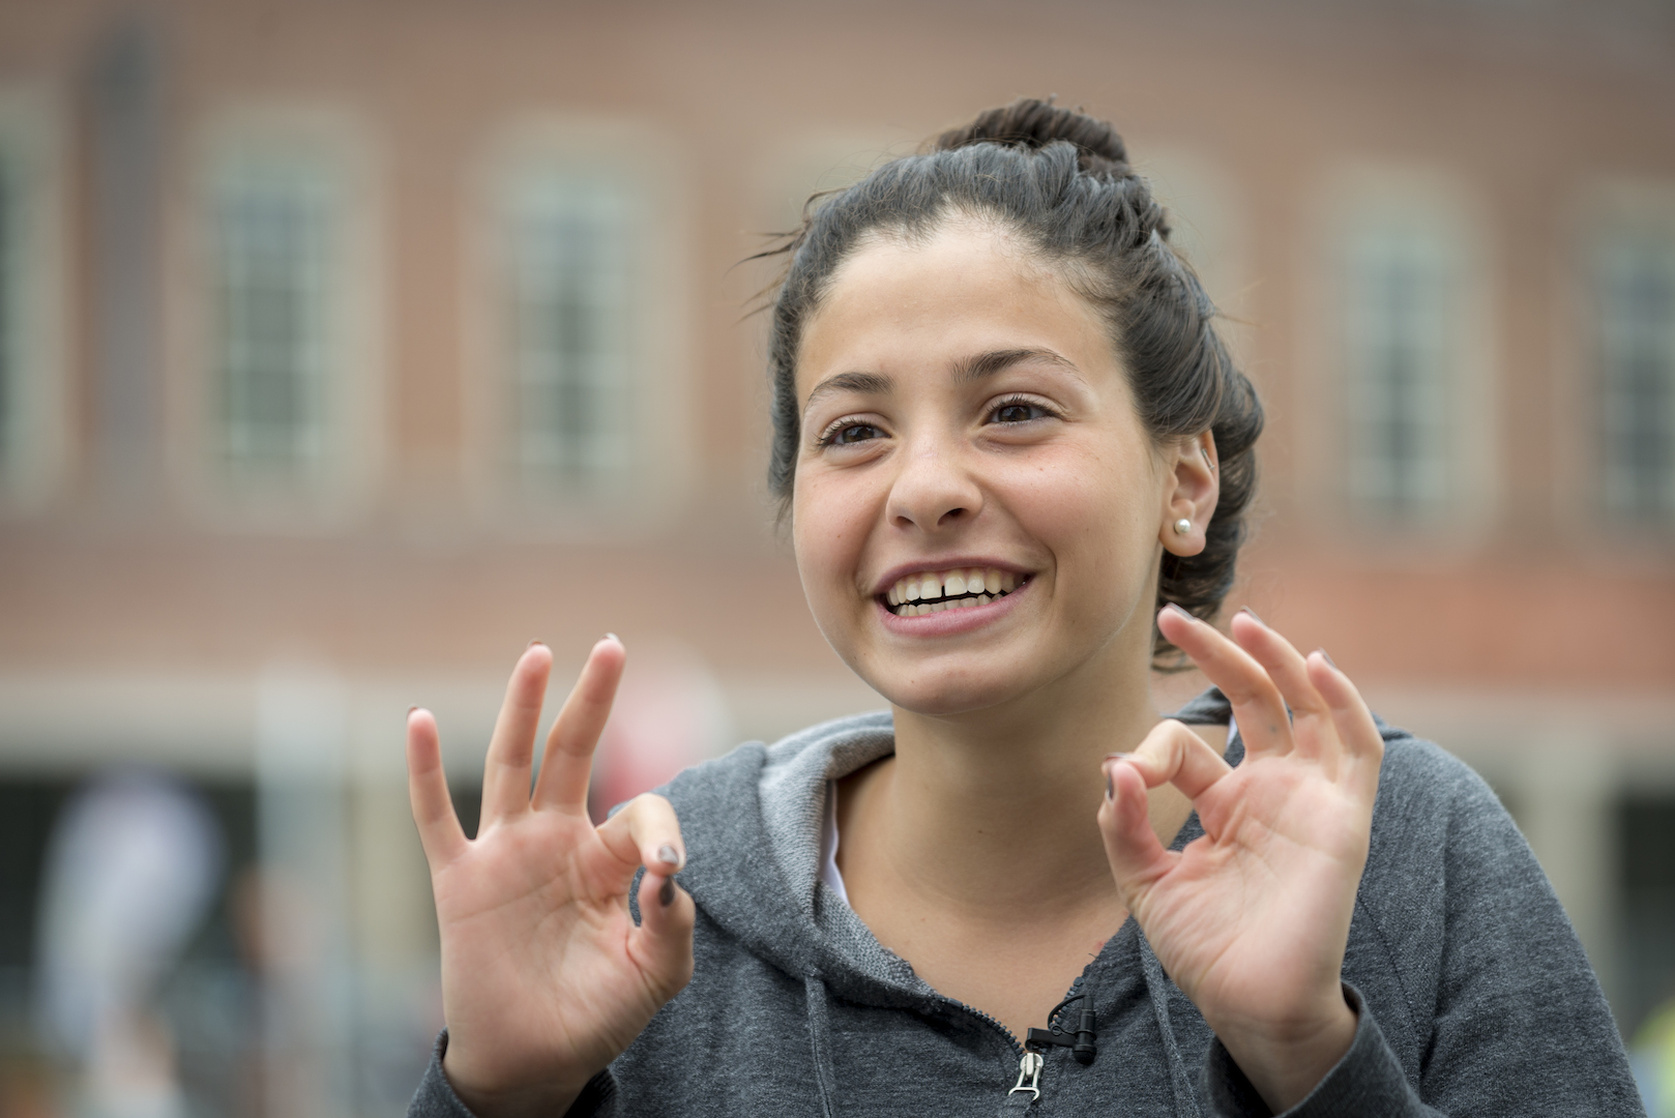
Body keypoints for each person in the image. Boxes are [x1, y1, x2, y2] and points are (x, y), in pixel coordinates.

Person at [404, 99, 1643, 1116]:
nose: (925, 485)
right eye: (853, 431)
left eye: (1013, 409)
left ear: (1184, 479)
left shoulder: (1405, 852)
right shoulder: (660, 914)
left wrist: (1307, 1052)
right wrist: (498, 1095)